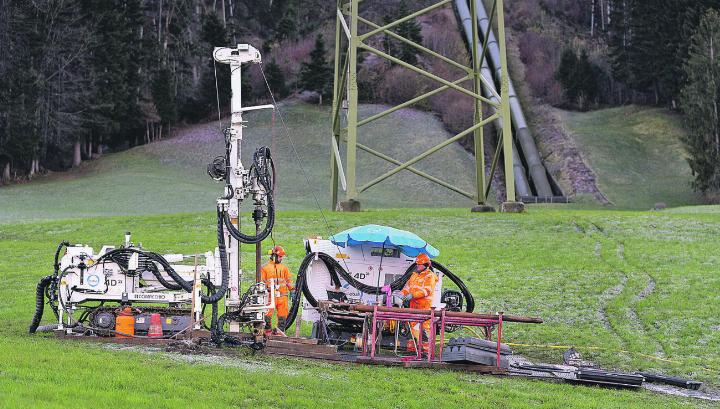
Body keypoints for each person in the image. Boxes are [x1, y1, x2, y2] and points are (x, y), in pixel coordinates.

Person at [399, 253, 438, 353]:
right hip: (413, 307)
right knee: (411, 328)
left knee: (423, 329)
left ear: (426, 265)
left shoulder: (430, 276)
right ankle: (411, 350)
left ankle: (425, 352)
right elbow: (407, 288)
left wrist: (413, 295)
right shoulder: (414, 275)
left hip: (424, 308)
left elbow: (427, 291)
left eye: (419, 265)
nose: (417, 266)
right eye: (417, 264)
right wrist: (401, 294)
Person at [261, 245, 294, 333]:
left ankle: (280, 334)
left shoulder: (284, 268)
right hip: (270, 296)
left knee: (283, 317)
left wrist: (292, 290)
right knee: (266, 315)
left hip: (282, 297)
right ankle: (267, 333)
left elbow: (288, 280)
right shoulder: (265, 268)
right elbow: (262, 282)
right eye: (280, 257)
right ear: (274, 256)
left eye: (281, 257)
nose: (281, 258)